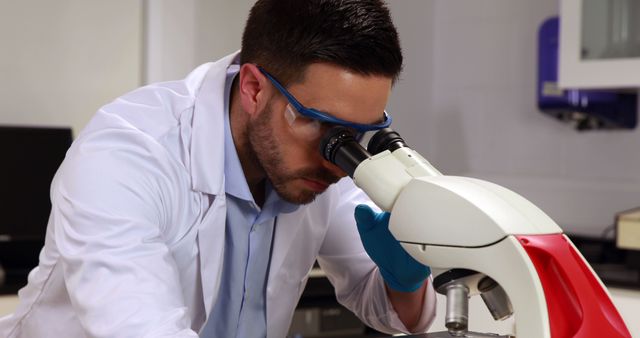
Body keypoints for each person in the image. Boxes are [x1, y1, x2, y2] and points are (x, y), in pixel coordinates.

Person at [0, 0, 436, 337]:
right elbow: (142, 330)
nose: (336, 159)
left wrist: (407, 276)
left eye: (357, 133)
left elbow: (391, 308)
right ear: (253, 88)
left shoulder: (317, 165)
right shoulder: (127, 153)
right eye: (321, 125)